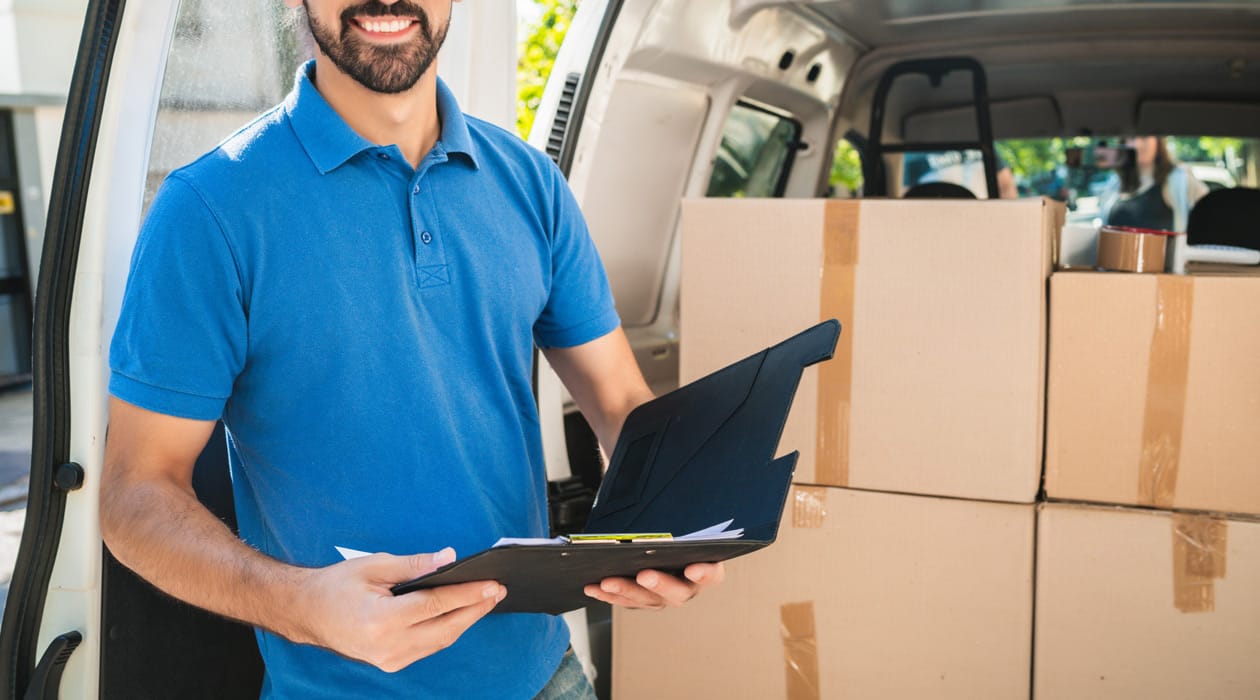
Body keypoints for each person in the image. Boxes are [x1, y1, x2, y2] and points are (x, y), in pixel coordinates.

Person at [98, 1, 723, 698]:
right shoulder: (209, 209)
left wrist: (672, 521)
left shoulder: (530, 183)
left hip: (546, 676)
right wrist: (301, 605)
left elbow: (619, 400)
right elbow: (134, 494)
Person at [1102, 136, 1208, 232]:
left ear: (1158, 141)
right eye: (1132, 138)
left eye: (1145, 137)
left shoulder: (1178, 178)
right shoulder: (1115, 184)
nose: (1138, 144)